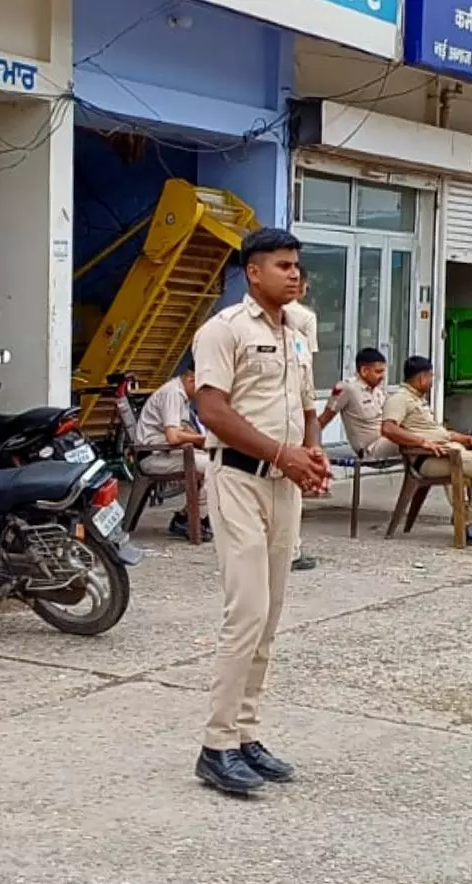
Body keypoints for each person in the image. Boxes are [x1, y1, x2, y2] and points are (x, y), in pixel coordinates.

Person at [191, 227, 331, 795]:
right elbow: (212, 412)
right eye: (282, 266)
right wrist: (282, 453)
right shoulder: (222, 331)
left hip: (285, 485)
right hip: (239, 482)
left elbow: (305, 404)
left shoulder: (300, 327)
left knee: (270, 617)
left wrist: (313, 450)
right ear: (253, 272)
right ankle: (215, 744)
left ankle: (246, 734)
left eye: (297, 265)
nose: (294, 274)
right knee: (245, 613)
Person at [379, 356, 472, 547]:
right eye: (431, 377)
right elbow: (388, 429)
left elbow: (439, 433)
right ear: (422, 377)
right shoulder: (399, 399)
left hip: (447, 452)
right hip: (429, 460)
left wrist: (466, 439)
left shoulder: (418, 400)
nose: (432, 381)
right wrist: (422, 442)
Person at [134, 364, 212, 540]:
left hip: (167, 453)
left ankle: (192, 515)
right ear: (191, 380)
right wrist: (202, 440)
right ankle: (188, 518)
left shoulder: (181, 395)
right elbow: (173, 437)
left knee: (219, 461)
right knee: (213, 467)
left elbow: (183, 429)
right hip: (154, 457)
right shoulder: (173, 393)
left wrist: (203, 439)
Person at [284, 263, 320, 572]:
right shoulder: (306, 318)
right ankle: (291, 550)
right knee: (291, 485)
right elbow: (308, 365)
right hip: (294, 406)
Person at [319, 348, 399, 460]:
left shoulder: (378, 391)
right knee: (411, 439)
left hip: (387, 440)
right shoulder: (348, 388)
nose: (382, 376)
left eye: (383, 371)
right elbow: (324, 419)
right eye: (378, 372)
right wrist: (310, 446)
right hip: (371, 449)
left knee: (420, 435)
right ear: (364, 371)